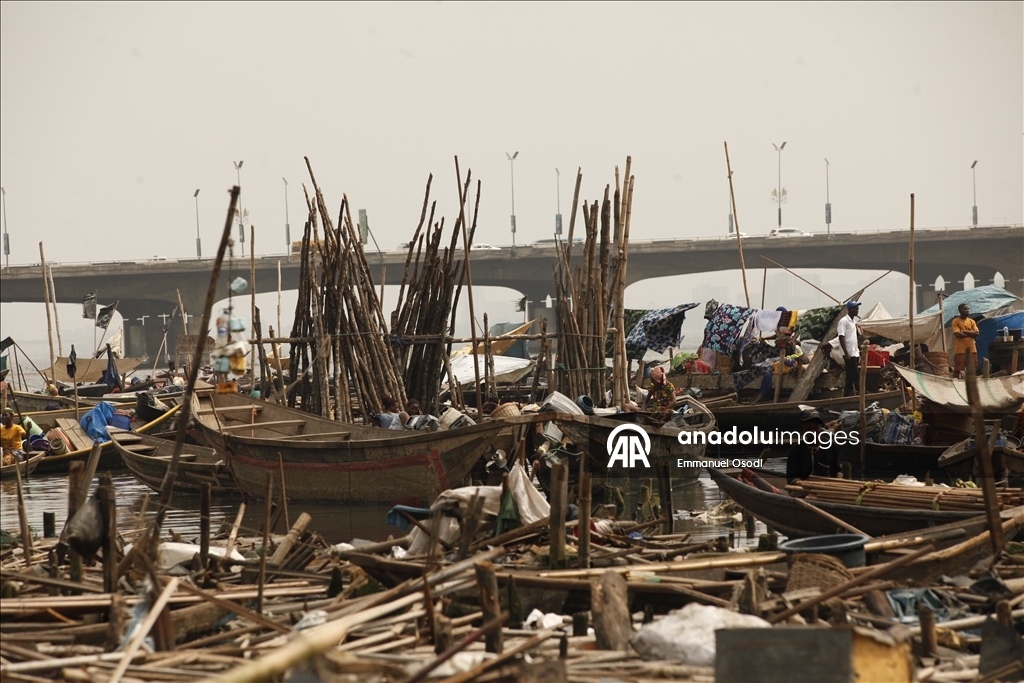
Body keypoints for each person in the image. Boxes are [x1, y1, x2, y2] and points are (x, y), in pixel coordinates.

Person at [786, 410, 840, 483]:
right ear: (803, 429)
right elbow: (791, 477)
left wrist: (838, 479)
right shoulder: (796, 450)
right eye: (809, 429)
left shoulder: (831, 446)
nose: (813, 432)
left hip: (826, 488)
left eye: (816, 428)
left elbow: (838, 470)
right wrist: (806, 484)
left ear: (820, 428)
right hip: (803, 488)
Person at [837, 300, 861, 397]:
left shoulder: (853, 321)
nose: (857, 310)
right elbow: (841, 337)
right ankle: (862, 393)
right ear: (850, 309)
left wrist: (859, 349)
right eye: (855, 309)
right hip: (849, 354)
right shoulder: (843, 321)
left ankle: (846, 396)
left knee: (849, 378)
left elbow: (853, 337)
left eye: (857, 309)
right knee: (856, 375)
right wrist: (846, 353)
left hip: (855, 352)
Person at [952, 303, 980, 378]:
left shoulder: (972, 321)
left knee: (973, 367)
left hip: (972, 348)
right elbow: (957, 334)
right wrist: (971, 333)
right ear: (960, 310)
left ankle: (972, 382)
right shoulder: (956, 321)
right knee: (958, 368)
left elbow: (977, 333)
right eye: (965, 309)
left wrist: (964, 331)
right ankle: (956, 383)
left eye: (968, 309)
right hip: (960, 349)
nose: (967, 311)